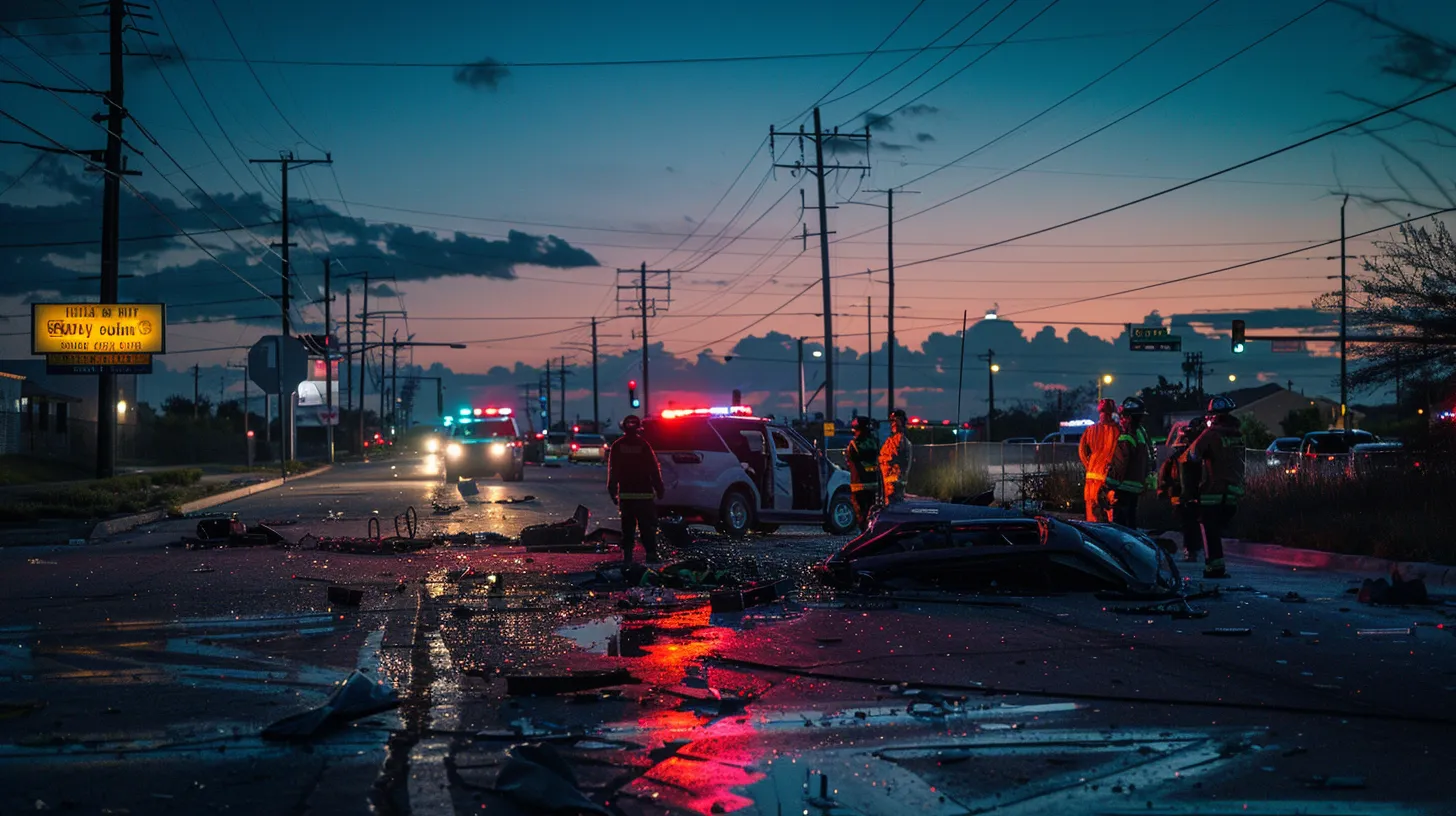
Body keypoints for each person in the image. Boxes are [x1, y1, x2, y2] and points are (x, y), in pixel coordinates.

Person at [1181, 396, 1245, 579]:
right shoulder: (1237, 435)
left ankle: (1214, 568)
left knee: (1209, 530)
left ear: (1213, 417)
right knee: (1217, 529)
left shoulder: (1210, 434)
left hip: (1213, 490)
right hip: (1233, 491)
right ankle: (1218, 566)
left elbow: (1191, 456)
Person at [606, 414, 665, 566]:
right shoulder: (644, 445)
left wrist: (612, 490)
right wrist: (659, 488)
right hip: (644, 495)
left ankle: (628, 556)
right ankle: (651, 554)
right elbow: (653, 469)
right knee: (647, 527)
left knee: (628, 528)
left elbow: (613, 470)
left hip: (626, 496)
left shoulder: (618, 446)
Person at [1158, 416, 1207, 561]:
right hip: (1184, 495)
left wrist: (1162, 488)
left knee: (1191, 524)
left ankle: (1193, 549)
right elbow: (1167, 471)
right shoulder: (1184, 454)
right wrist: (1163, 488)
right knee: (1190, 524)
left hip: (1190, 495)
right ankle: (1191, 550)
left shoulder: (1197, 451)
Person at [1104, 397, 1155, 528]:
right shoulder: (1141, 433)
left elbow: (1120, 464)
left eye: (1122, 417)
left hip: (1123, 489)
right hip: (1136, 487)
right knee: (1131, 524)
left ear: (1129, 418)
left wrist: (1108, 485)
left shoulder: (1126, 436)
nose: (1120, 421)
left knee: (1120, 529)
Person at [1078, 399, 1121, 522]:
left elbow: (1082, 451)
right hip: (1108, 481)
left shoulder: (1090, 430)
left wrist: (1089, 465)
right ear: (1113, 412)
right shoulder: (1118, 431)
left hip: (1091, 480)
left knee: (1092, 519)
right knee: (1110, 519)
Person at [844, 416, 882, 528]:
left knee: (861, 514)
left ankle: (863, 536)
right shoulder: (875, 442)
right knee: (873, 512)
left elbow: (849, 461)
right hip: (874, 484)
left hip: (858, 484)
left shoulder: (853, 445)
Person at [878, 409, 913, 504]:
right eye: (892, 421)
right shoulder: (892, 439)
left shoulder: (899, 440)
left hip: (893, 484)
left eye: (894, 421)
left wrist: (880, 459)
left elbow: (891, 457)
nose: (892, 424)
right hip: (889, 482)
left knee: (893, 509)